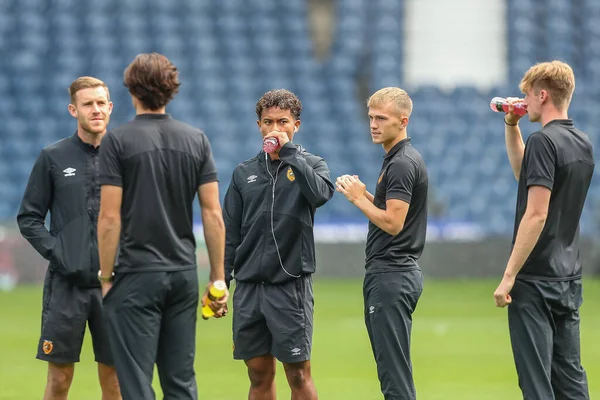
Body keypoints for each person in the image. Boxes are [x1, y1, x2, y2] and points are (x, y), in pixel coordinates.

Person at [97, 53, 228, 400]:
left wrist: (106, 277)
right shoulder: (196, 139)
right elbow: (213, 214)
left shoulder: (117, 141)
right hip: (183, 275)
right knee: (181, 381)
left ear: (131, 90)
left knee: (136, 383)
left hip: (136, 273)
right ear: (171, 90)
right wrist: (217, 278)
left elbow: (110, 218)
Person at [223, 89, 334, 399]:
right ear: (258, 125)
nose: (274, 129)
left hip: (290, 287)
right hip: (248, 290)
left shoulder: (311, 164)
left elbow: (321, 195)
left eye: (282, 122)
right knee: (258, 374)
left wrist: (291, 155)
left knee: (298, 374)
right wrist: (221, 281)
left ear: (295, 125)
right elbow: (229, 233)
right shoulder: (244, 173)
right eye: (268, 122)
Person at [17, 76, 121, 400]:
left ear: (111, 107)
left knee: (115, 383)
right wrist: (59, 252)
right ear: (73, 109)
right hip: (66, 287)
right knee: (59, 381)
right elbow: (29, 217)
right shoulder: (53, 157)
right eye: (88, 104)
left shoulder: (127, 157)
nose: (96, 110)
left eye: (101, 103)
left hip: (114, 286)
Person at [494, 60, 592, 400]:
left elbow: (536, 214)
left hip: (536, 281)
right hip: (568, 276)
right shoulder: (582, 143)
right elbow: (529, 176)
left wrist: (509, 275)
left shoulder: (543, 142)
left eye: (527, 95)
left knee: (536, 384)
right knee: (570, 380)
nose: (524, 101)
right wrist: (511, 126)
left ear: (544, 95)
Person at [336, 87, 428, 400]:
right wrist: (365, 196)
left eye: (381, 118)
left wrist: (357, 199)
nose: (373, 124)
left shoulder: (401, 163)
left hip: (392, 274)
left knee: (394, 377)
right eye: (371, 117)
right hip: (392, 273)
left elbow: (393, 222)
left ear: (403, 121)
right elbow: (391, 211)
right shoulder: (398, 159)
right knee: (391, 372)